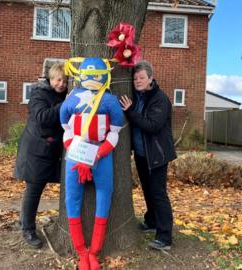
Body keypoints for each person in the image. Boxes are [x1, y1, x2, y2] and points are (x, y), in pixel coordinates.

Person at [60, 57, 124, 270]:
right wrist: (76, 151)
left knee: (105, 195)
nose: (92, 79)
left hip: (101, 156)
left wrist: (96, 154)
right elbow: (66, 129)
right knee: (72, 199)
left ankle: (94, 250)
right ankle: (81, 251)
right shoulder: (72, 100)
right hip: (76, 157)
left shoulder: (110, 101)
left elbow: (114, 134)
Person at [119, 60, 177, 251]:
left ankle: (165, 237)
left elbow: (152, 125)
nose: (138, 81)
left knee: (158, 194)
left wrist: (130, 111)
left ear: (150, 78)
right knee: (147, 191)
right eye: (135, 78)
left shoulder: (160, 99)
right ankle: (151, 221)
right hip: (142, 155)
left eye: (142, 77)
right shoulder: (138, 96)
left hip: (157, 155)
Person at [13, 63, 68, 248]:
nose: (61, 83)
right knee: (34, 190)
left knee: (37, 188)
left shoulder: (62, 94)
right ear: (50, 79)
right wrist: (65, 105)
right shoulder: (39, 93)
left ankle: (23, 221)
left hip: (50, 150)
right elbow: (42, 117)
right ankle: (27, 230)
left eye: (65, 80)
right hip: (36, 150)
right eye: (58, 79)